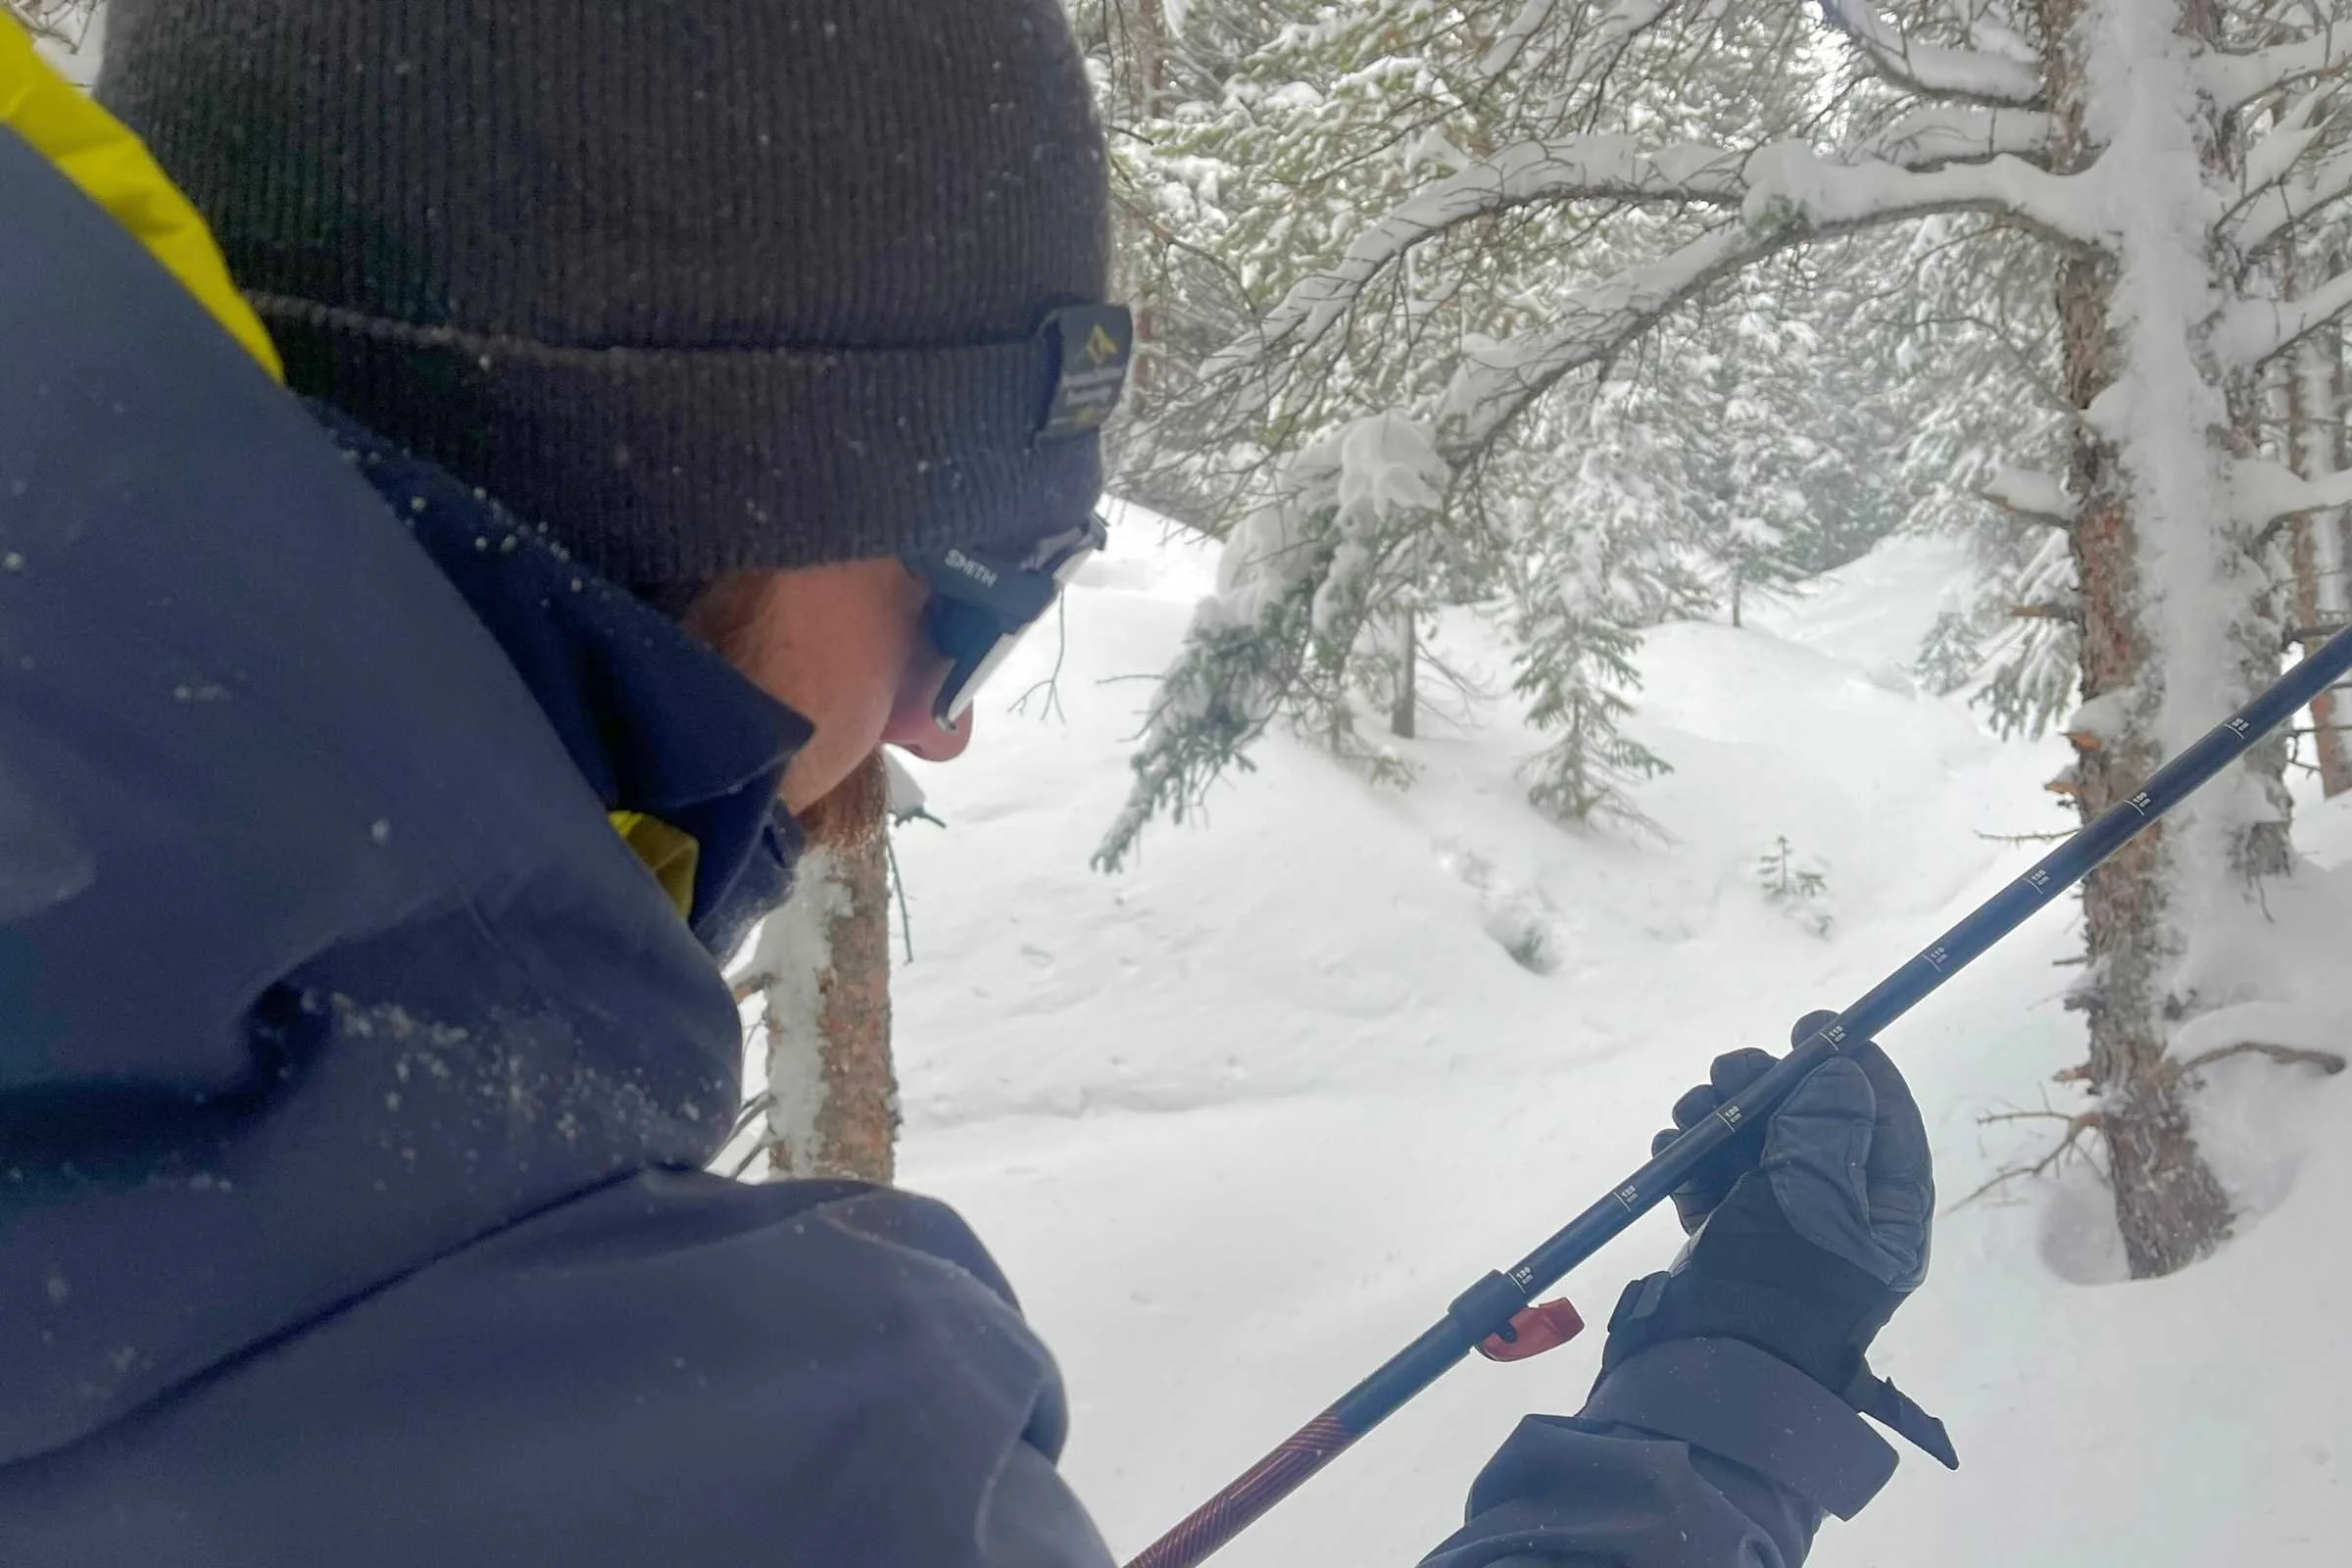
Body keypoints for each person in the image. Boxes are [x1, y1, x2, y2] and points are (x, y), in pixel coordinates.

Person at [0, 3, 1947, 1562]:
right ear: (689, 482)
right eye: (979, 587)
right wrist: (1739, 1391)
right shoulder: (692, 1436)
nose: (943, 718)